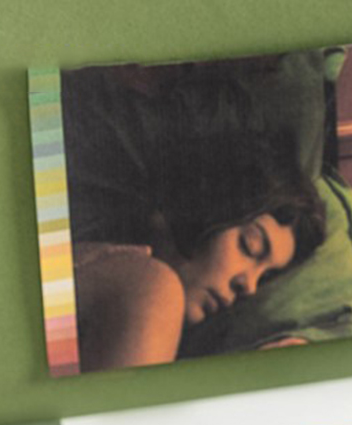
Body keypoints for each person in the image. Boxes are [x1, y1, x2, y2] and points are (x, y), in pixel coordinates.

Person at [60, 61, 326, 371]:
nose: (250, 287)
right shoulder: (149, 287)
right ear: (207, 202)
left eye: (264, 276)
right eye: (250, 245)